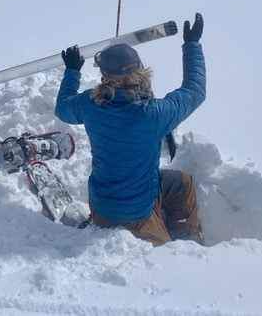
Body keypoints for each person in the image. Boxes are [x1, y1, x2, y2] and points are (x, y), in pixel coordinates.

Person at [54, 14, 206, 246]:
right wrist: (192, 45)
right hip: (138, 213)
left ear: (105, 76)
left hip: (102, 203)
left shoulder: (89, 105)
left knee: (179, 180)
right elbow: (195, 91)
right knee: (182, 186)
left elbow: (63, 108)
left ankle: (102, 221)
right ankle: (186, 244)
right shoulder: (156, 114)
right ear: (141, 71)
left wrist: (72, 71)